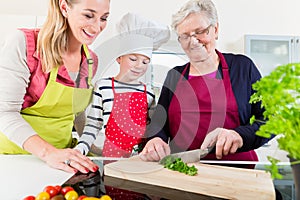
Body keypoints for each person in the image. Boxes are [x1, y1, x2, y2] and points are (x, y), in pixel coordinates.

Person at [139, 0, 270, 168]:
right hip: (183, 172)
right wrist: (156, 140)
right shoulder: (175, 75)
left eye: (200, 32)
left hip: (238, 172)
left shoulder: (243, 67)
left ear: (215, 30)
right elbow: (159, 123)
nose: (193, 42)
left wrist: (239, 135)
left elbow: (270, 119)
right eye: (185, 36)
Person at [0, 0, 110, 174]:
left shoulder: (91, 60)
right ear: (64, 7)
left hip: (63, 161)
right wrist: (49, 153)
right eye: (88, 15)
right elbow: (4, 113)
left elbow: (77, 113)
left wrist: (95, 149)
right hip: (16, 159)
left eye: (104, 18)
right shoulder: (24, 44)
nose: (97, 27)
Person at [75, 12, 170, 200]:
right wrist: (80, 150)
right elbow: (93, 125)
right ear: (119, 58)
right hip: (111, 163)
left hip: (140, 163)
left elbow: (152, 132)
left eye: (145, 61)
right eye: (133, 59)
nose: (139, 66)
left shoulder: (149, 92)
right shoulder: (103, 86)